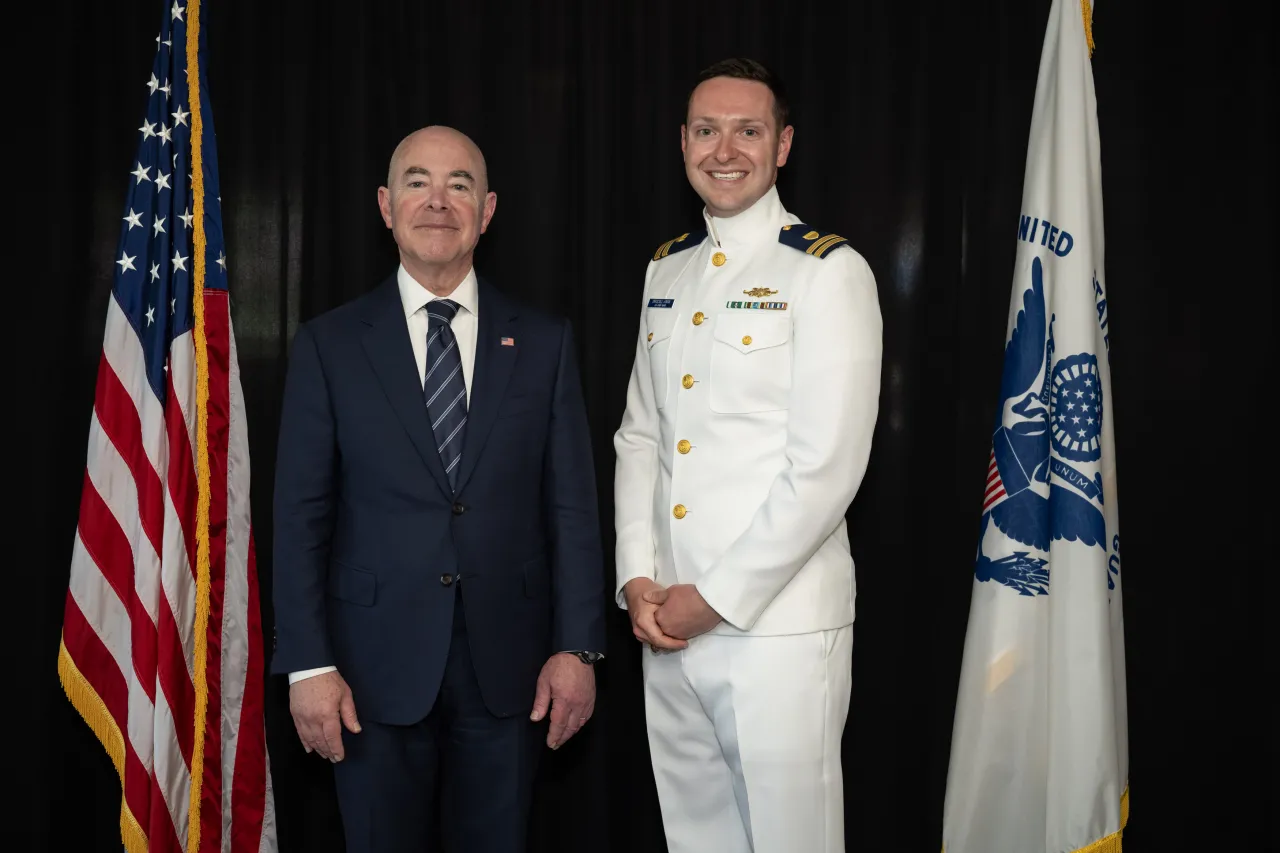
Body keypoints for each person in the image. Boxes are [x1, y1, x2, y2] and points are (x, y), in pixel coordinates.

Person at [271, 125, 606, 853]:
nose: (438, 201)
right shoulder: (329, 345)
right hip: (365, 671)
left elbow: (573, 505)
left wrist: (577, 647)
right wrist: (308, 662)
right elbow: (300, 514)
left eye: (460, 185)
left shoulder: (544, 343)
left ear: (487, 211)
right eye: (418, 182)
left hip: (512, 668)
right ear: (387, 206)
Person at [613, 58, 883, 853]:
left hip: (776, 631)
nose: (724, 149)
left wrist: (719, 597)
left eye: (748, 130)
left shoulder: (828, 272)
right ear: (683, 142)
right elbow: (641, 434)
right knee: (699, 841)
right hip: (666, 622)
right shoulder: (668, 268)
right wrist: (637, 576)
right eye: (707, 129)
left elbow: (826, 469)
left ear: (783, 145)